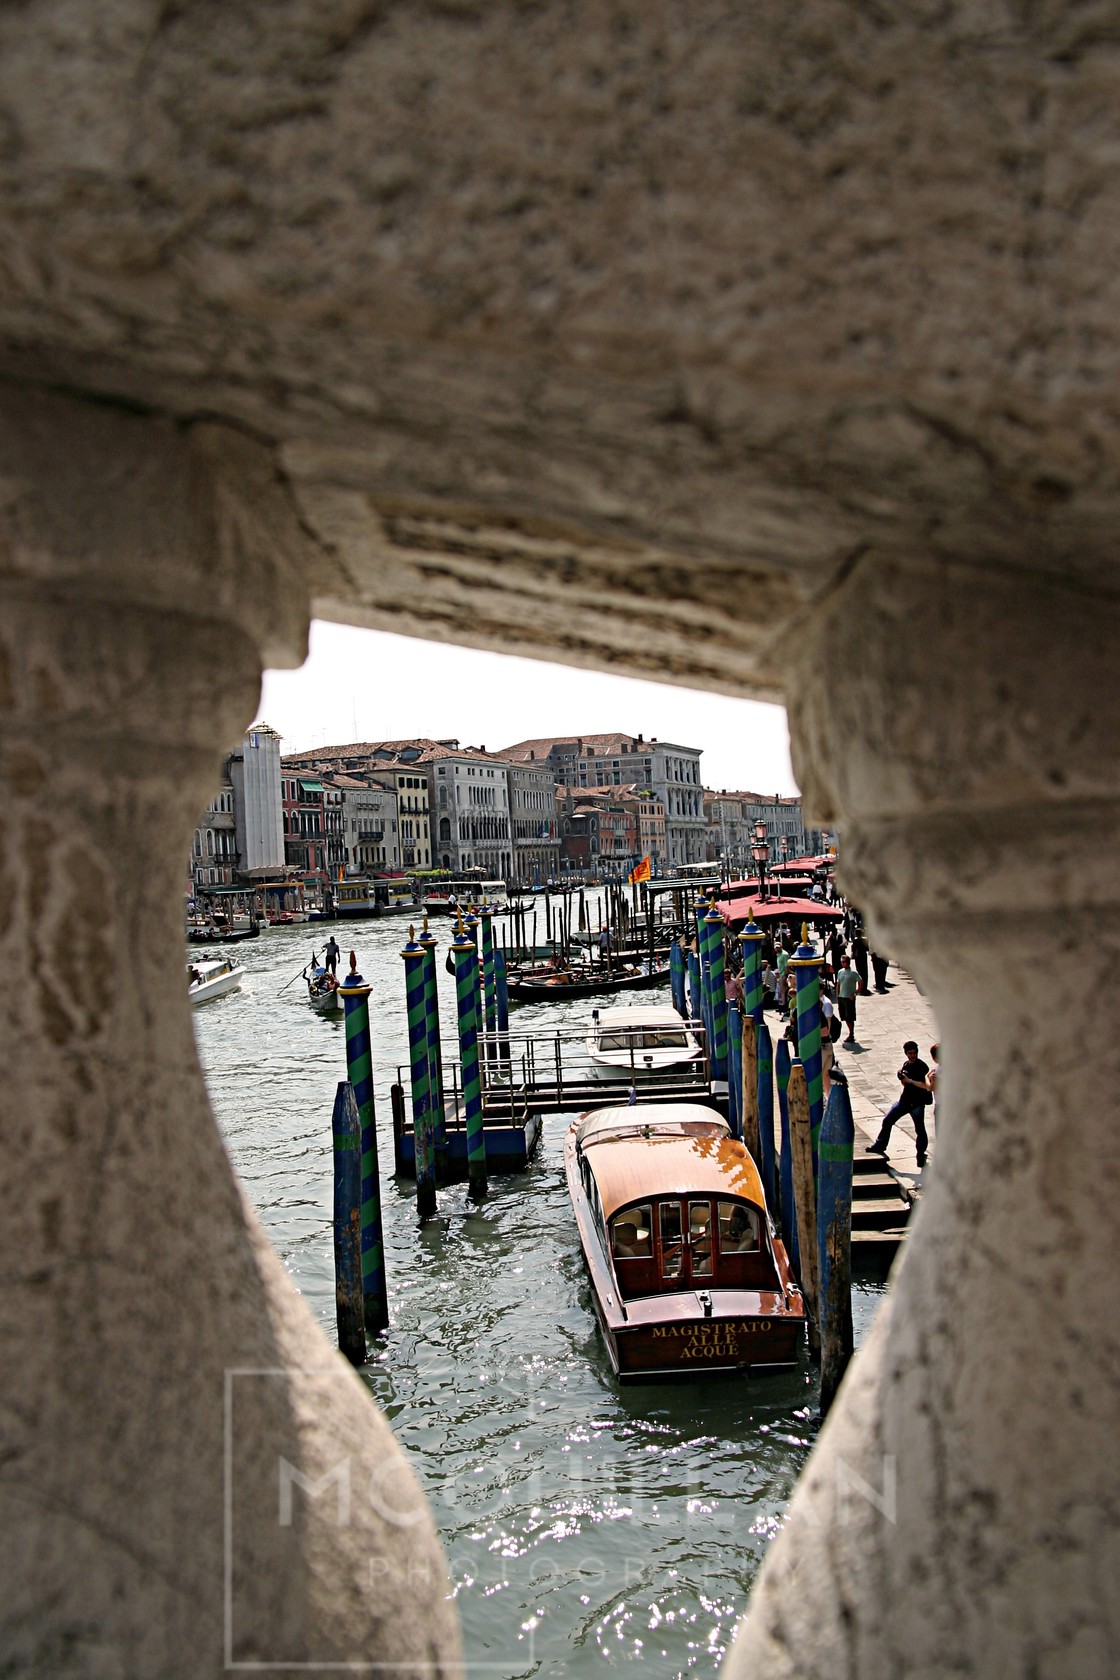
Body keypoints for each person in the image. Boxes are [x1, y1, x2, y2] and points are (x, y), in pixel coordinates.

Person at [869, 1041, 932, 1167]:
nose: (913, 1056)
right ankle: (880, 1145)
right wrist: (902, 1077)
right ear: (906, 1054)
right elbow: (904, 1083)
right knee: (887, 1121)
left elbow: (925, 1085)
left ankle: (920, 1154)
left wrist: (910, 1080)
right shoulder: (906, 1065)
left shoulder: (922, 1067)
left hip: (917, 1103)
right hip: (905, 1101)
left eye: (914, 1053)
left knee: (920, 1129)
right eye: (910, 1053)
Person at [835, 957, 860, 1043]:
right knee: (844, 1016)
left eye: (844, 962)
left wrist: (855, 993)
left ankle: (851, 1033)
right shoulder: (840, 972)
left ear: (848, 962)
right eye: (841, 962)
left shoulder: (853, 973)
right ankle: (850, 1033)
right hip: (842, 997)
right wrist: (837, 995)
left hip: (849, 998)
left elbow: (861, 982)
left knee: (850, 1017)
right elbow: (838, 984)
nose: (842, 963)